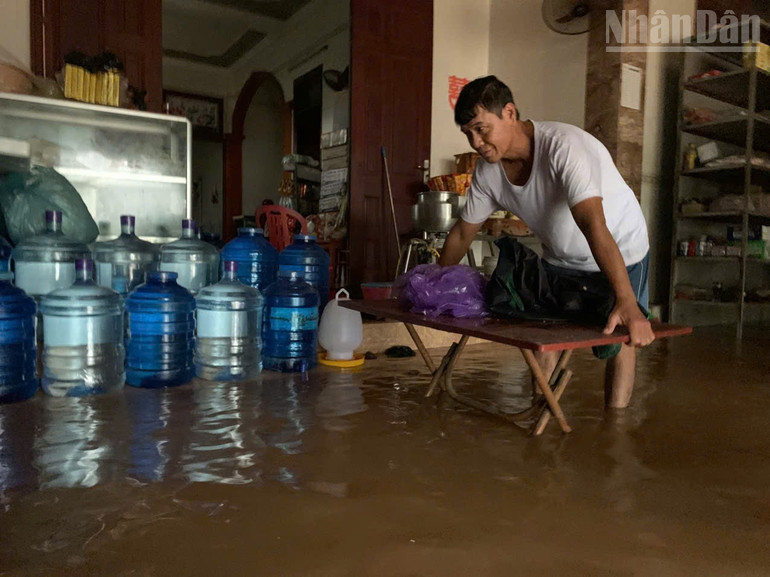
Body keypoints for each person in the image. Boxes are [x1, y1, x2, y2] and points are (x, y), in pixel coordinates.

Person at [438, 75, 655, 409]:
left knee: (621, 337)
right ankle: (542, 412)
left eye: (481, 129)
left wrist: (626, 300)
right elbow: (463, 233)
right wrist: (437, 282)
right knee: (544, 334)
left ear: (509, 112)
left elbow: (592, 224)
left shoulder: (564, 148)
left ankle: (617, 427)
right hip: (561, 258)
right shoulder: (487, 172)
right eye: (468, 133)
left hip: (621, 250)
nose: (476, 142)